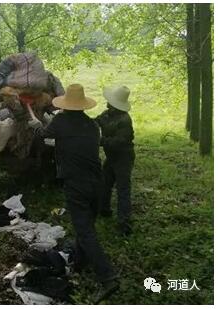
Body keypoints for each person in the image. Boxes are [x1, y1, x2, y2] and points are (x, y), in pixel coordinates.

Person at [28, 84, 119, 303]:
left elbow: (43, 134)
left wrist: (35, 124)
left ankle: (108, 277)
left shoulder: (60, 122)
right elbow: (70, 140)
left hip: (77, 184)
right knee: (86, 223)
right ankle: (79, 261)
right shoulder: (90, 124)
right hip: (98, 183)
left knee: (84, 230)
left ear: (66, 105)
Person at [95, 86, 135, 236]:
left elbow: (120, 142)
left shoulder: (124, 120)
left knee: (123, 189)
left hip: (123, 157)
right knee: (105, 183)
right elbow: (96, 122)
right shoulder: (107, 114)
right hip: (112, 157)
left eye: (110, 102)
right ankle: (104, 210)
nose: (107, 103)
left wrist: (100, 141)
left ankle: (124, 224)